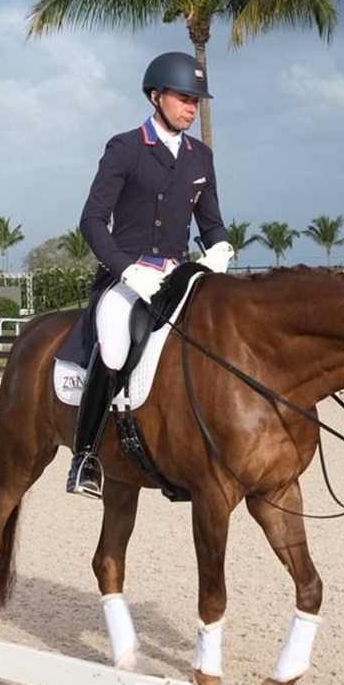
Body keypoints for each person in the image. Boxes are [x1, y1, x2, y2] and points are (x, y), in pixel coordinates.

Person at [67, 51, 235, 499]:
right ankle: (85, 457)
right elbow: (92, 220)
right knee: (115, 344)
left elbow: (211, 223)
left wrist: (221, 247)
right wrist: (126, 269)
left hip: (180, 275)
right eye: (183, 98)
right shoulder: (125, 148)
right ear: (155, 97)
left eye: (196, 101)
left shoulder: (201, 157)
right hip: (127, 276)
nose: (191, 108)